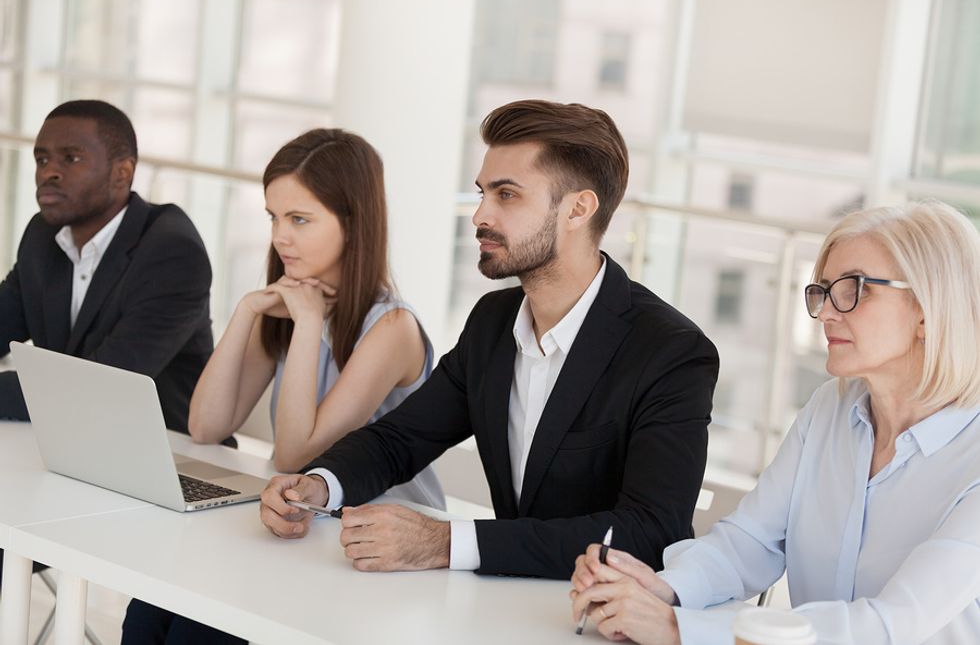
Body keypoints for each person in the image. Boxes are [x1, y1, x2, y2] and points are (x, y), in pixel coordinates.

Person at [259, 99, 719, 580]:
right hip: (500, 605)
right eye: (482, 193)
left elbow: (651, 532)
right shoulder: (493, 322)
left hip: (604, 619)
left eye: (507, 195)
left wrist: (444, 542)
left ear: (578, 209)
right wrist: (317, 486)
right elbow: (401, 439)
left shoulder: (671, 353)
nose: (480, 215)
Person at [570, 201, 980, 644]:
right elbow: (753, 540)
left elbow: (891, 625)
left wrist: (677, 629)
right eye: (822, 290)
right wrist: (665, 587)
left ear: (926, 310)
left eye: (854, 289)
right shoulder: (831, 409)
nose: (825, 313)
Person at [122, 128, 445, 644]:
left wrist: (310, 325)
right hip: (301, 528)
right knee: (150, 607)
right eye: (274, 217)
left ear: (353, 224)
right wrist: (248, 309)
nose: (280, 237)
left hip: (376, 546)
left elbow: (298, 454)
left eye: (300, 219)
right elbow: (206, 425)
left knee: (199, 631)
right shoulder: (291, 306)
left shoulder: (391, 329)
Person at [0, 99, 213, 579]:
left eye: (70, 158)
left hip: (158, 469)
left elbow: (96, 385)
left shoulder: (171, 250)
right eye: (41, 159)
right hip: (67, 457)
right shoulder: (44, 236)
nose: (48, 173)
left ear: (122, 173)